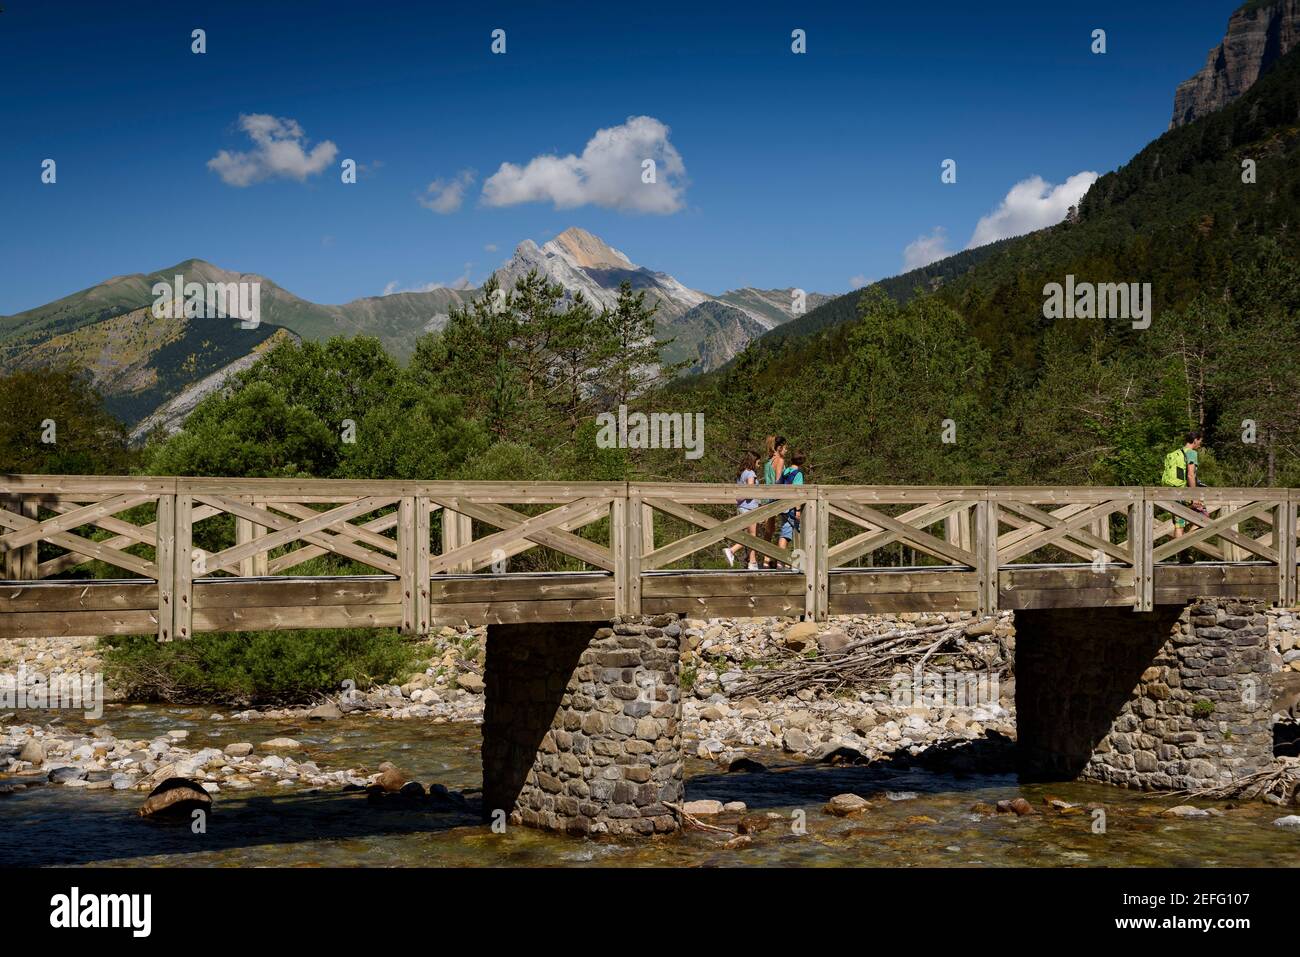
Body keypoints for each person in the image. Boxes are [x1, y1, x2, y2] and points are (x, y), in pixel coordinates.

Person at [1162, 429, 1206, 564]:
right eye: (1200, 441)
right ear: (1195, 440)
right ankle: (1184, 543)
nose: (1200, 444)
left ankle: (1182, 555)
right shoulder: (1191, 453)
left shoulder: (1175, 453)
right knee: (1204, 517)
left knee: (1179, 525)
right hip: (1184, 493)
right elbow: (1190, 475)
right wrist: (1194, 495)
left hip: (1172, 492)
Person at [724, 451, 760, 569]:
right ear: (753, 461)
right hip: (750, 508)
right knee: (752, 536)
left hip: (742, 507)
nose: (759, 464)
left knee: (750, 535)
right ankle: (731, 550)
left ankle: (752, 562)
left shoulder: (741, 473)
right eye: (758, 462)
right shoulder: (750, 473)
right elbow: (749, 492)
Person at [760, 436, 787, 568]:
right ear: (779, 447)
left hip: (767, 497)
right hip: (777, 497)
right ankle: (781, 560)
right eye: (785, 447)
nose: (786, 451)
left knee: (769, 530)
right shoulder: (780, 461)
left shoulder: (768, 462)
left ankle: (766, 559)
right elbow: (778, 480)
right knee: (787, 527)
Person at [777, 452, 806, 557]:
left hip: (783, 505)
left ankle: (781, 561)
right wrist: (798, 510)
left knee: (785, 532)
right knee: (800, 531)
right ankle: (800, 561)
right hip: (791, 507)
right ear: (801, 463)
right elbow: (797, 493)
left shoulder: (786, 471)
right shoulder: (798, 473)